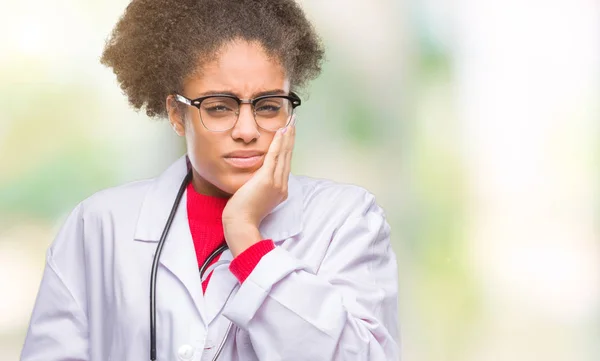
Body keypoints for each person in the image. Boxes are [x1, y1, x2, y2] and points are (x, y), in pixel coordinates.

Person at [20, 1, 399, 360]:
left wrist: (248, 241)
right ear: (176, 114)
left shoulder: (345, 220)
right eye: (219, 107)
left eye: (268, 106)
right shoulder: (99, 225)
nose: (248, 130)